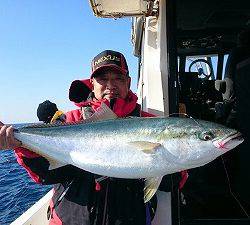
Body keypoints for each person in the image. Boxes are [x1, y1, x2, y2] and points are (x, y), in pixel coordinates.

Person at [0, 50, 173, 225]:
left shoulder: (150, 123)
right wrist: (20, 146)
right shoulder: (70, 120)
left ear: (128, 82)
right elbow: (47, 175)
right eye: (103, 79)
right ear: (92, 84)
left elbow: (171, 183)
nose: (110, 85)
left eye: (118, 79)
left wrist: (168, 163)